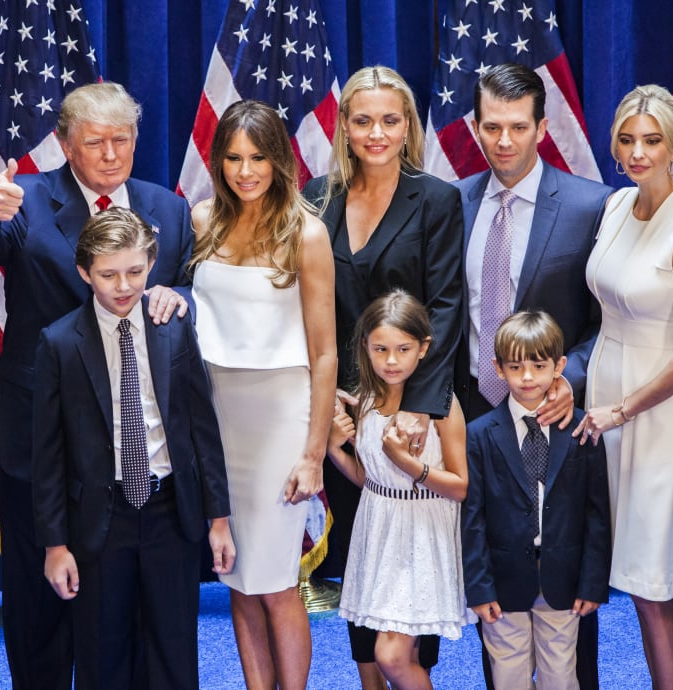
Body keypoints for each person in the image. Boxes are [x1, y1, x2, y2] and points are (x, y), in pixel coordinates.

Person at [0, 81, 192, 688]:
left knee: (129, 601)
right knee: (41, 595)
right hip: (43, 431)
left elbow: (187, 289)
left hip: (137, 439)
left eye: (122, 140)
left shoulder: (167, 207)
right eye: (95, 142)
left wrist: (175, 294)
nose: (111, 154)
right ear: (64, 143)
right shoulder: (24, 199)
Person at [301, 65, 464, 687]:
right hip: (344, 409)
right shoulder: (317, 197)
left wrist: (418, 405)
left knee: (412, 561)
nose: (376, 132)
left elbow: (448, 304)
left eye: (389, 121)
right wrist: (330, 408)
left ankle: (414, 672)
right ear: (344, 126)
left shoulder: (438, 199)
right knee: (359, 556)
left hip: (413, 407)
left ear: (408, 127)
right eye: (362, 120)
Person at [453, 62, 612, 690]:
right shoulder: (454, 201)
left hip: (558, 417)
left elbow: (612, 322)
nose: (504, 141)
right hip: (479, 421)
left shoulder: (588, 205)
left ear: (542, 127)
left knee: (567, 585)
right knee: (499, 579)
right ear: (475, 125)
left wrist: (570, 375)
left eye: (519, 127)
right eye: (492, 126)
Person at [32, 207, 234, 689]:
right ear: (84, 272)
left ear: (151, 263)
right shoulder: (59, 343)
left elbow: (202, 428)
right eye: (108, 274)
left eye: (135, 272)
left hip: (170, 512)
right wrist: (55, 545)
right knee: (104, 655)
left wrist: (219, 519)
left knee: (174, 650)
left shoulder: (173, 325)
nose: (123, 286)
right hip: (101, 520)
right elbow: (48, 455)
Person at [191, 99, 336, 690]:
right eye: (232, 157)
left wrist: (313, 452)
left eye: (256, 158)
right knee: (237, 576)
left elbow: (324, 352)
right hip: (217, 413)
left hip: (282, 417)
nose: (244, 171)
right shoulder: (203, 220)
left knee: (275, 580)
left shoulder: (307, 231)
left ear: (279, 160)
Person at [575, 84, 673, 690]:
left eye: (651, 140)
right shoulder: (616, 206)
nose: (637, 152)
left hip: (662, 415)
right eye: (627, 139)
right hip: (610, 401)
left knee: (655, 584)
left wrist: (619, 411)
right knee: (648, 580)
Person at [327, 290, 470, 690]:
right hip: (379, 533)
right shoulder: (370, 398)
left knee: (390, 656)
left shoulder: (441, 405)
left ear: (424, 348)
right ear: (365, 348)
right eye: (381, 349)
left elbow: (460, 487)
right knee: (397, 654)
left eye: (403, 349)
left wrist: (411, 465)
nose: (392, 360)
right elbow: (369, 479)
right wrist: (331, 447)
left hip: (422, 535)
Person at [463, 311, 610, 690]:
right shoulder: (479, 435)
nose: (527, 377)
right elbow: (472, 518)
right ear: (497, 368)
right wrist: (478, 588)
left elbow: (597, 514)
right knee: (508, 675)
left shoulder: (581, 430)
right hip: (504, 580)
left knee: (561, 676)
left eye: (539, 365)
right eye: (515, 366)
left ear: (559, 366)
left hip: (563, 578)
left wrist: (593, 583)